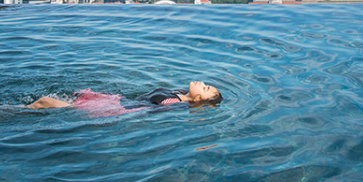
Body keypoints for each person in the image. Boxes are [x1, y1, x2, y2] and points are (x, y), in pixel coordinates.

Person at [26, 81, 222, 110]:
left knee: (45, 102)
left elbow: (146, 111)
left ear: (198, 100)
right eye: (207, 84)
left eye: (204, 89)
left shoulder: (173, 101)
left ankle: (6, 113)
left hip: (117, 109)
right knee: (73, 98)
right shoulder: (179, 92)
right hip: (117, 99)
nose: (202, 83)